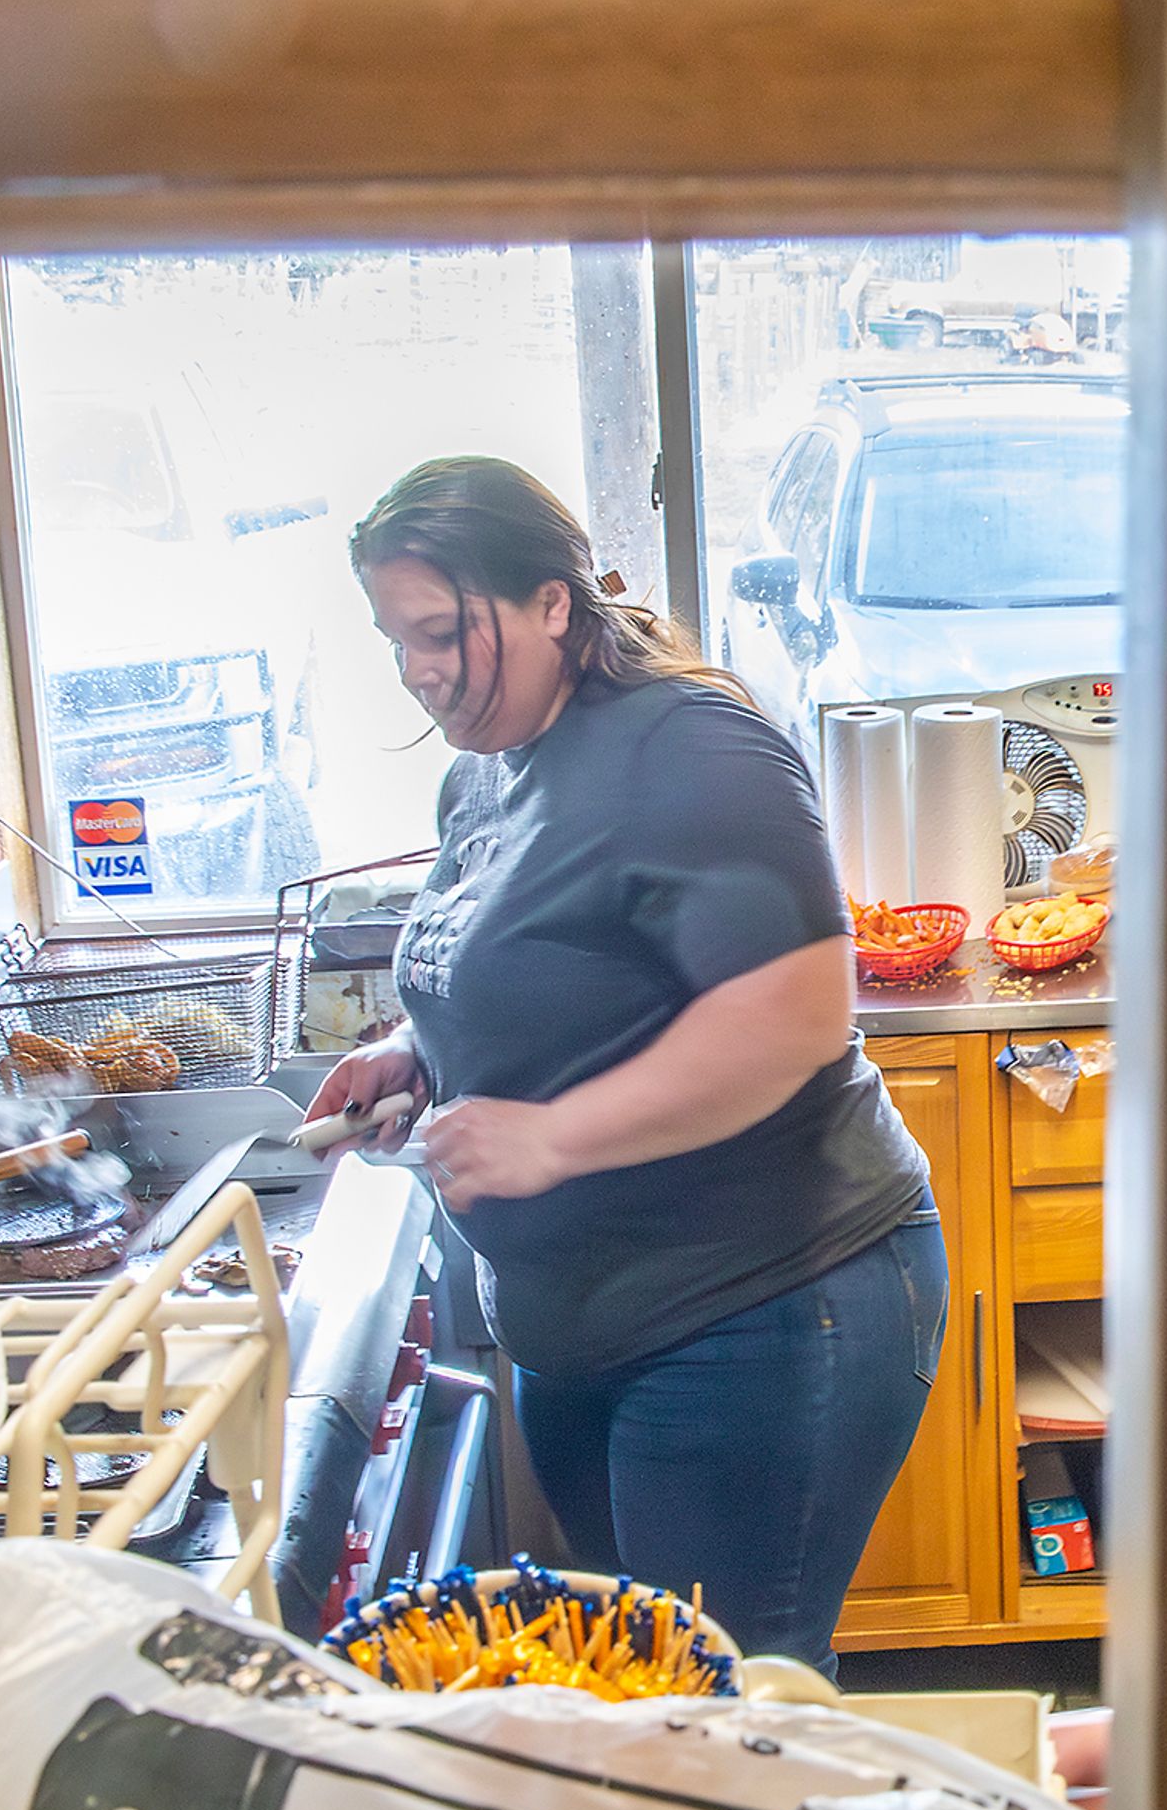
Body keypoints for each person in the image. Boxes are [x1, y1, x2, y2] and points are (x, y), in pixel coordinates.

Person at [304, 456, 946, 1674]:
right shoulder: (484, 770)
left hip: (765, 1306)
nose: (419, 671)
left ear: (554, 601)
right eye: (396, 641)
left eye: (442, 632)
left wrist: (550, 1136)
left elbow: (794, 1015)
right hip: (583, 1325)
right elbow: (549, 975)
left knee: (724, 1707)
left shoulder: (689, 747)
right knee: (644, 1688)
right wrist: (417, 1054)